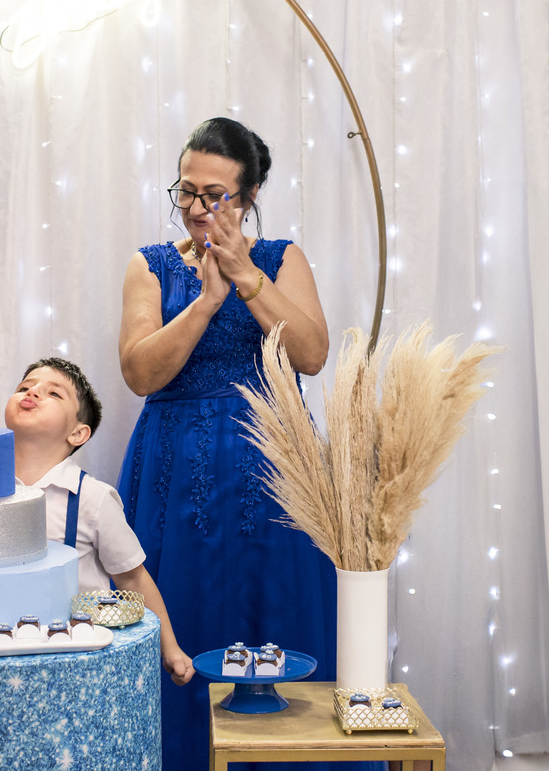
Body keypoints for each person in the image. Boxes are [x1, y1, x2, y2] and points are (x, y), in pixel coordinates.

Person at [116, 117, 352, 770]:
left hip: (276, 477)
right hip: (173, 477)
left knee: (278, 616)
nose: (196, 208)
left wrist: (247, 278)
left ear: (248, 197)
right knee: (181, 619)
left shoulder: (281, 259)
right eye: (186, 190)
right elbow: (140, 373)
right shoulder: (151, 265)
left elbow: (312, 355)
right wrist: (203, 303)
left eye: (214, 195)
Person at [5, 356, 194, 686]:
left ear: (78, 433)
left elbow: (132, 577)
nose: (32, 392)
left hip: (80, 661)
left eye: (54, 393)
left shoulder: (93, 498)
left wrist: (170, 648)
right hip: (2, 653)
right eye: (25, 387)